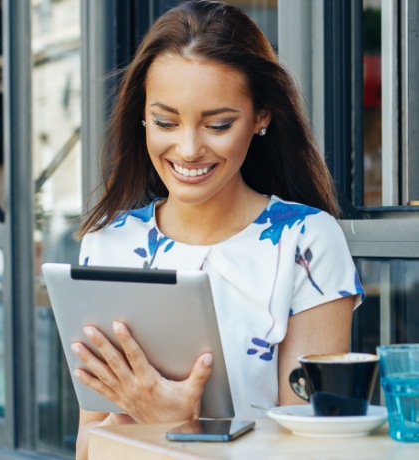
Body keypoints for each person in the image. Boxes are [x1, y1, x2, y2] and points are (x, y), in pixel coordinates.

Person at [71, 1, 364, 458]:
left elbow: (313, 449)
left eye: (219, 124)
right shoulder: (107, 246)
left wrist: (177, 423)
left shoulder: (306, 242)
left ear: (261, 116)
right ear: (142, 116)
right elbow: (88, 445)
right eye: (166, 121)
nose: (188, 149)